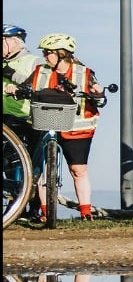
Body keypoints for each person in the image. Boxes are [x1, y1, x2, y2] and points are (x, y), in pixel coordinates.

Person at [17, 34, 110, 220]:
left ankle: (86, 212)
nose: (44, 56)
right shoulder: (39, 71)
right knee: (41, 171)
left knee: (78, 170)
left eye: (48, 53)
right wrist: (16, 90)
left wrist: (98, 94)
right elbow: (25, 88)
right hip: (45, 123)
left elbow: (100, 101)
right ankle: (46, 212)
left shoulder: (84, 73)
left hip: (77, 128)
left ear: (62, 54)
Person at [2, 25, 43, 217]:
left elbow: (35, 84)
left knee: (29, 164)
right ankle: (15, 205)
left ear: (15, 43)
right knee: (8, 164)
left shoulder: (33, 61)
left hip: (24, 117)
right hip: (4, 119)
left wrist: (10, 73)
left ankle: (32, 207)